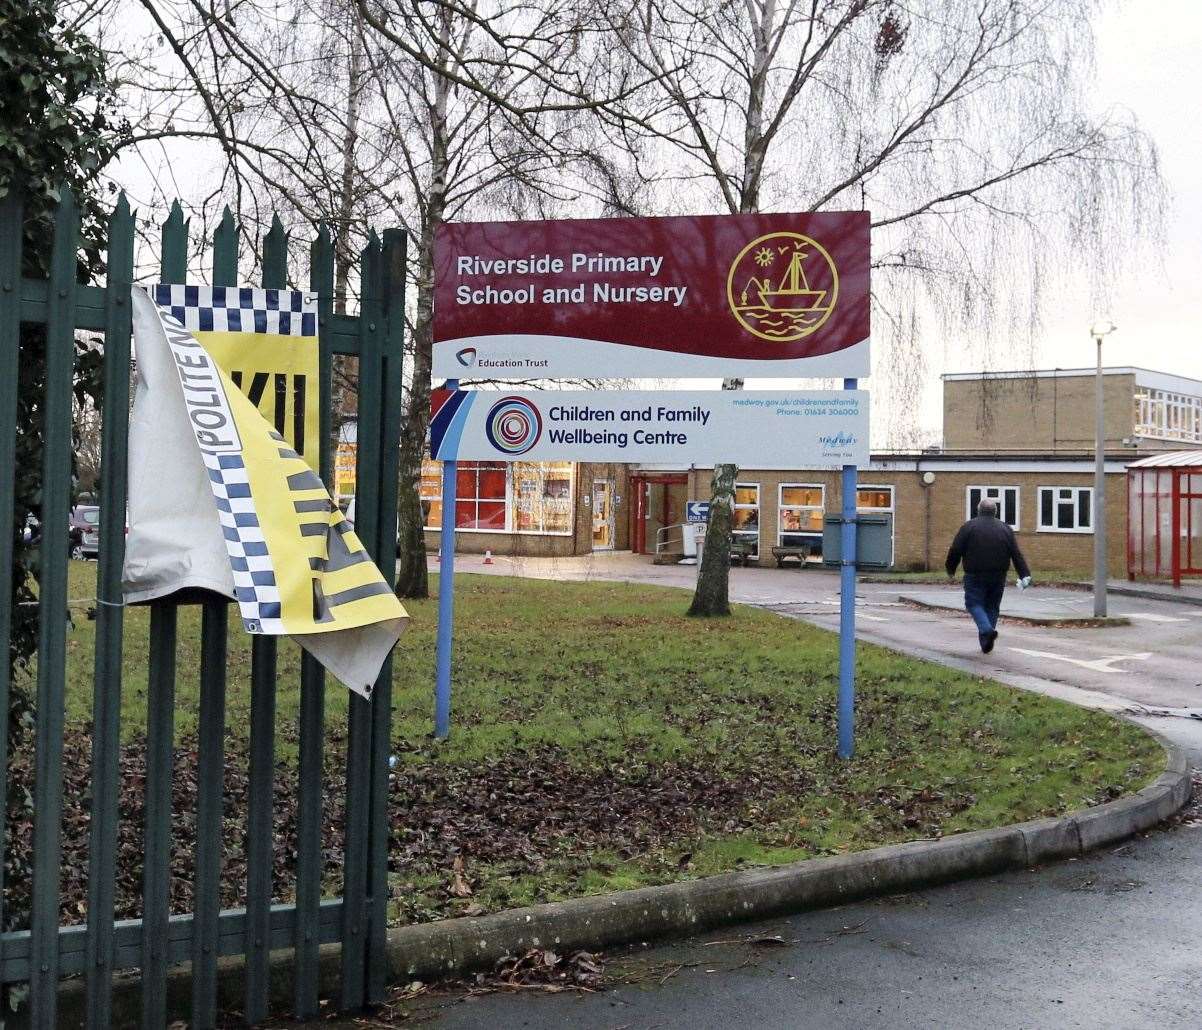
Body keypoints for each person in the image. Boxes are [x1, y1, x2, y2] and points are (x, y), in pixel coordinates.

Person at [945, 498, 1032, 653]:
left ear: (978, 510)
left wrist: (950, 568)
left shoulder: (969, 527)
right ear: (995, 512)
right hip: (998, 576)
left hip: (975, 574)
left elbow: (956, 549)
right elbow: (1016, 554)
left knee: (974, 604)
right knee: (992, 606)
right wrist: (1024, 574)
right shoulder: (1005, 529)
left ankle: (986, 630)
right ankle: (986, 641)